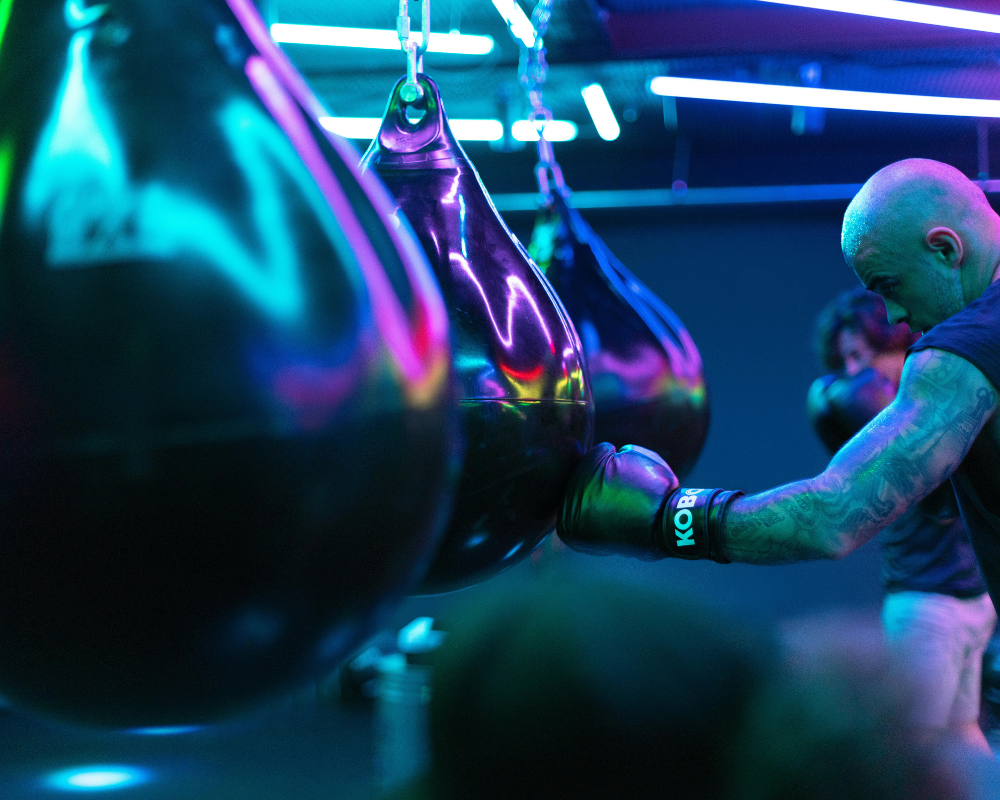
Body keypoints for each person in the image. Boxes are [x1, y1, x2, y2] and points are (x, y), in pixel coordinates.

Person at [557, 158, 1000, 656]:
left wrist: (665, 520)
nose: (894, 315)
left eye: (889, 286)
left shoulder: (963, 349)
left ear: (945, 249)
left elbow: (832, 518)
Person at [808, 287, 996, 753]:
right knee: (946, 737)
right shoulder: (880, 427)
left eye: (861, 355)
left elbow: (949, 500)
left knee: (930, 743)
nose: (854, 374)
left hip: (962, 602)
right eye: (845, 362)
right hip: (927, 595)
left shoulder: (951, 395)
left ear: (896, 343)